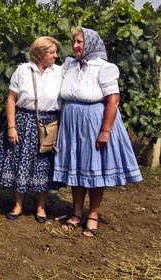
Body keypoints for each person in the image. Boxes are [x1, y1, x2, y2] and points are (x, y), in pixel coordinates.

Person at [53, 27, 142, 237]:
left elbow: (113, 100)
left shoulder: (104, 67)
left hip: (93, 122)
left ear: (91, 43)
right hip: (71, 122)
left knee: (94, 169)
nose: (75, 46)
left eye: (79, 42)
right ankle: (76, 213)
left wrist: (105, 131)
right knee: (75, 167)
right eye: (74, 42)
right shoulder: (69, 65)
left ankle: (92, 214)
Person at [0, 36, 63, 223]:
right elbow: (11, 99)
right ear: (40, 54)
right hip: (24, 120)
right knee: (21, 161)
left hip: (49, 123)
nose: (56, 55)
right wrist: (11, 126)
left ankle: (41, 207)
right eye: (52, 52)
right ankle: (18, 205)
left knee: (44, 164)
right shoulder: (23, 71)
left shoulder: (60, 72)